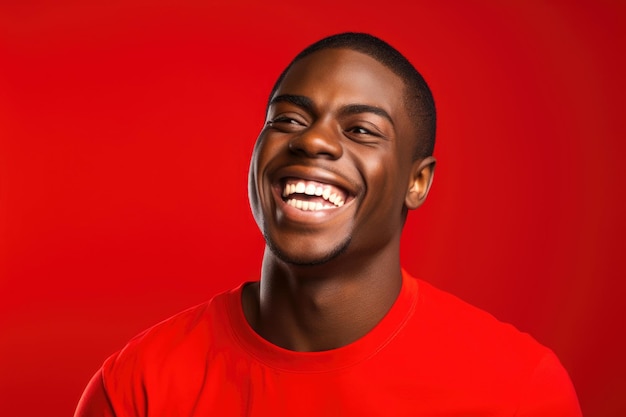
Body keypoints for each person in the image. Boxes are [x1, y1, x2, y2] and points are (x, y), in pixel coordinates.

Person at [74, 32, 582, 416]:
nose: (313, 142)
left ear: (418, 182)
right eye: (289, 119)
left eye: (361, 130)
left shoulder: (518, 388)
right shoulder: (137, 388)